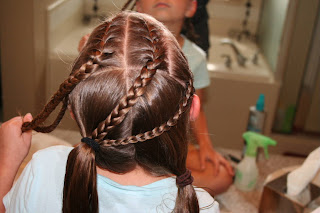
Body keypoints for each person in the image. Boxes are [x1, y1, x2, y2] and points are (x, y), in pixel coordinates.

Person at [0, 12, 220, 213]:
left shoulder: (43, 170)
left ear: (73, 111)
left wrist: (8, 162)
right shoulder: (203, 207)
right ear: (193, 110)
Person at [121, 0, 234, 195]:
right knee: (75, 157)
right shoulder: (122, 44)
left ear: (191, 8)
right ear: (139, 7)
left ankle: (140, 182)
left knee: (221, 175)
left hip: (170, 146)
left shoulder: (196, 57)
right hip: (124, 142)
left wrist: (206, 147)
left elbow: (196, 107)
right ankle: (155, 184)